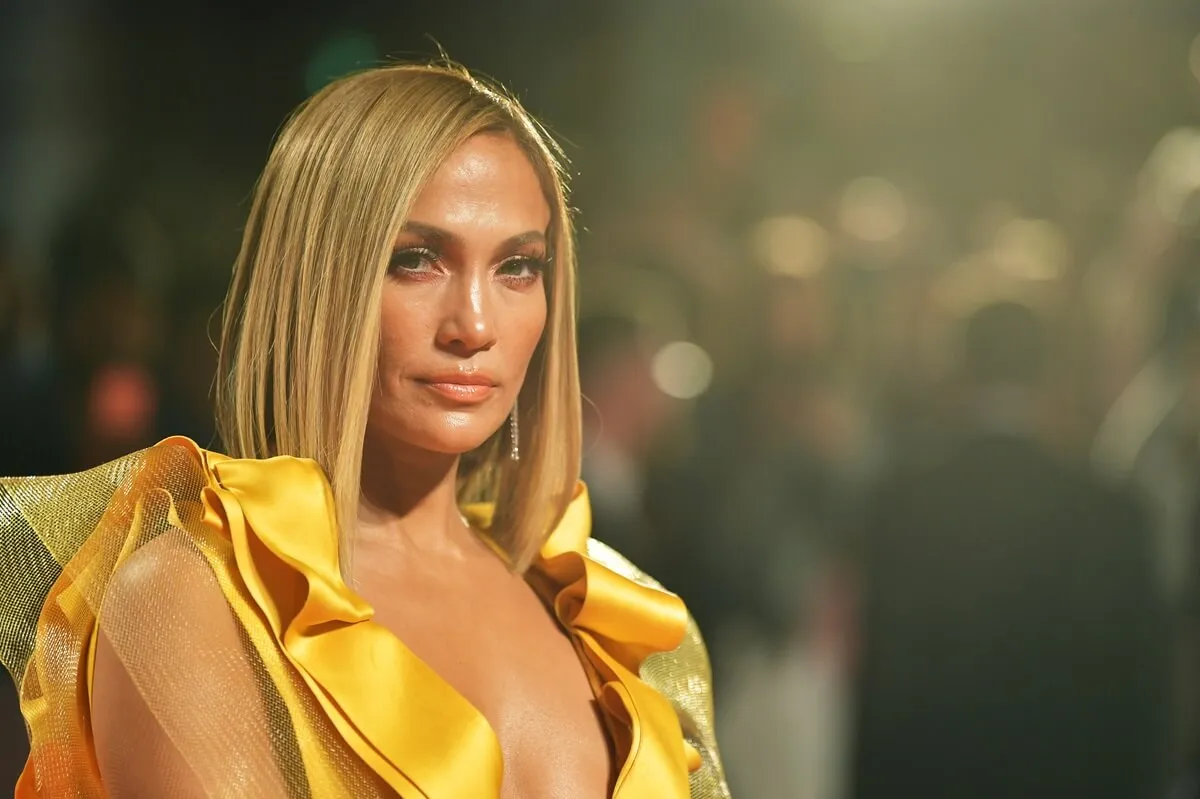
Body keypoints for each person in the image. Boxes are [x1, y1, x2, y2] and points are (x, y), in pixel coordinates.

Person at [0, 63, 728, 799]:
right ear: (319, 280)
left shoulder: (612, 621)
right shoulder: (197, 599)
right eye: (416, 260)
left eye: (517, 266)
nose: (475, 325)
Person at [851, 299, 1168, 799]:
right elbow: (1140, 698)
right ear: (1050, 376)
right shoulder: (1111, 516)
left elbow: (883, 689)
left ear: (961, 373)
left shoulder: (904, 509)